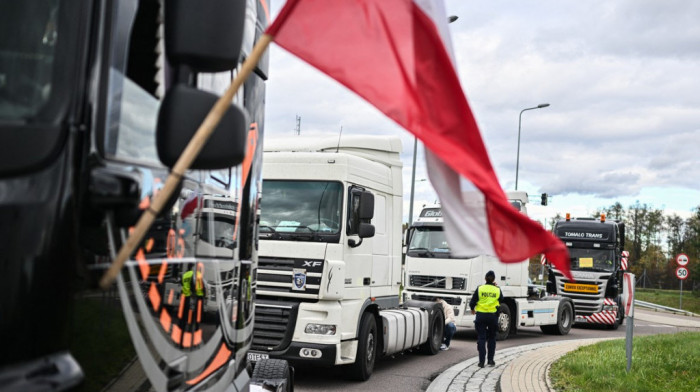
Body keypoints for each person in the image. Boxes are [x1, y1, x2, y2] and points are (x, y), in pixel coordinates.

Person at [469, 270, 504, 367]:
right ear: (494, 279)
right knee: (492, 338)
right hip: (492, 316)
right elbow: (501, 299)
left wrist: (472, 309)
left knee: (481, 338)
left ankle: (481, 362)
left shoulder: (480, 288)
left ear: (485, 278)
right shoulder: (497, 289)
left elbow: (473, 301)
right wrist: (495, 287)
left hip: (481, 316)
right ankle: (490, 360)